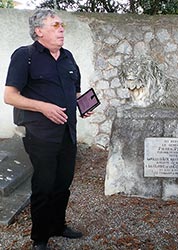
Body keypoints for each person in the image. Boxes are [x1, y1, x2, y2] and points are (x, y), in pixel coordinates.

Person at [4, 9, 91, 250]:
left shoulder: (68, 57)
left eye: (61, 25)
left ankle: (58, 225)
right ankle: (40, 238)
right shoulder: (25, 56)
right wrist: (42, 107)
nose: (61, 29)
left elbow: (74, 92)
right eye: (55, 25)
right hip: (40, 134)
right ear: (39, 31)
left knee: (63, 183)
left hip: (67, 132)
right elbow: (10, 96)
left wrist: (83, 104)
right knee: (44, 184)